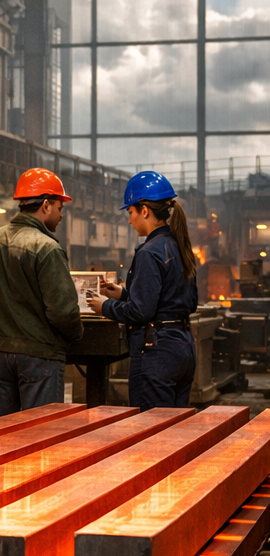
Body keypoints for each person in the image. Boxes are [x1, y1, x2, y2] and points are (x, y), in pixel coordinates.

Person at [0, 167, 83, 417]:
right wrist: (73, 338)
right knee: (39, 436)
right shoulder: (47, 248)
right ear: (45, 205)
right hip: (40, 356)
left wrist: (0, 333)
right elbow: (63, 312)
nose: (61, 215)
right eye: (59, 207)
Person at [87, 171, 197, 409]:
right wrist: (122, 294)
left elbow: (141, 312)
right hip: (184, 347)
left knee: (153, 433)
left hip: (157, 353)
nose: (129, 220)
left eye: (130, 212)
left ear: (144, 210)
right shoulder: (179, 246)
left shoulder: (149, 252)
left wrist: (103, 306)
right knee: (175, 430)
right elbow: (179, 301)